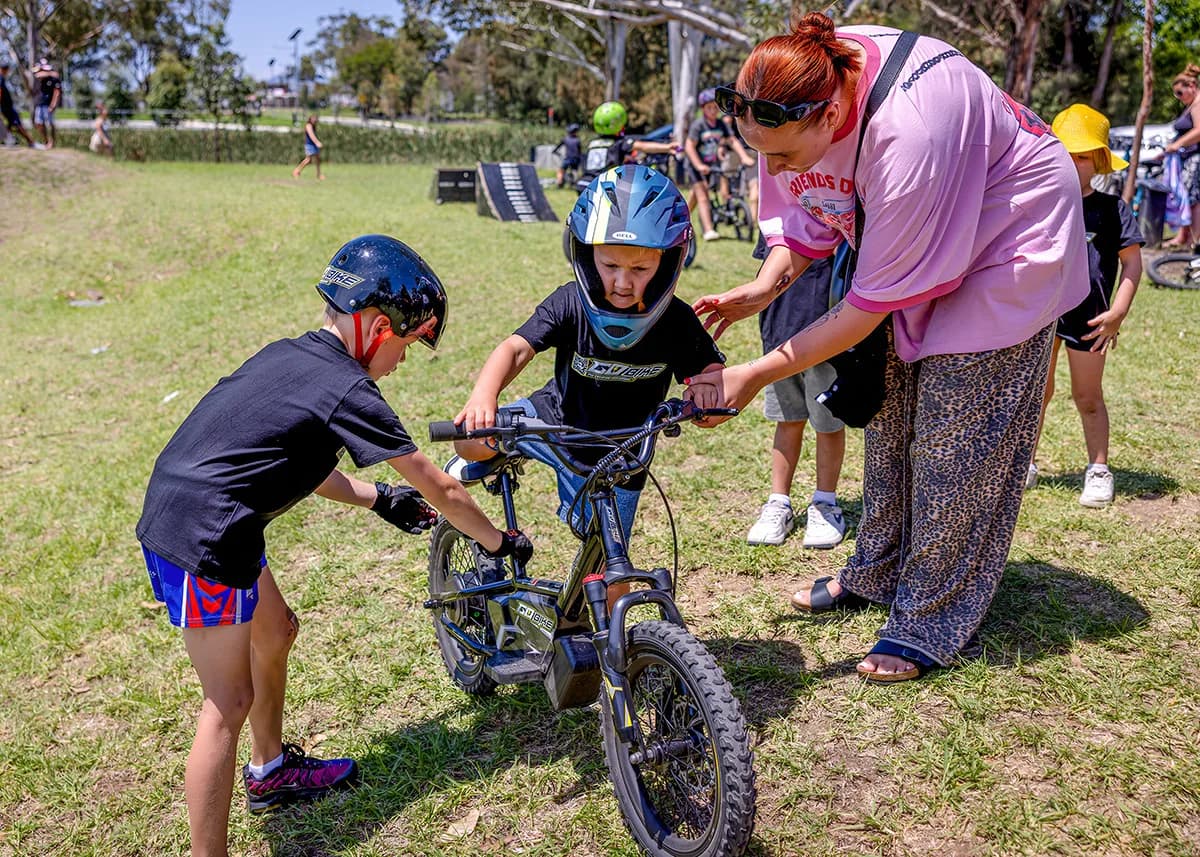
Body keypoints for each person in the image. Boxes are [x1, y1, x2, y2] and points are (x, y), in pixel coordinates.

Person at [685, 14, 1087, 682]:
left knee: (955, 435)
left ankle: (932, 614)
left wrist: (756, 373)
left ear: (834, 112)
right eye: (762, 152)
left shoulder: (913, 130)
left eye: (782, 153)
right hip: (921, 225)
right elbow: (806, 210)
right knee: (892, 411)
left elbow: (867, 307)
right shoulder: (794, 92)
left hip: (1011, 231)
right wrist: (764, 284)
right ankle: (877, 570)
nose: (773, 167)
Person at [135, 235, 533, 857]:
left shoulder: (293, 359)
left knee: (277, 631)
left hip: (214, 515)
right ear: (377, 328)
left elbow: (295, 460)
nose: (402, 361)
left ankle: (270, 773)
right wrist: (499, 541)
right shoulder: (348, 387)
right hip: (203, 535)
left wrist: (376, 499)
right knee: (227, 702)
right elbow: (440, 486)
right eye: (406, 343)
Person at [451, 165, 724, 603]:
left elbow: (709, 373)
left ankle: (613, 649)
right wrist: (484, 395)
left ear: (669, 260)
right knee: (469, 438)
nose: (622, 281)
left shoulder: (676, 321)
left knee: (612, 567)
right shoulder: (571, 301)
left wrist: (708, 392)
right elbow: (516, 348)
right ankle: (489, 464)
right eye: (610, 264)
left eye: (640, 266)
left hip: (623, 455)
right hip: (554, 425)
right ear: (585, 254)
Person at [1027, 104, 1145, 507]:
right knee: (1035, 393)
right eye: (1065, 153)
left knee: (1088, 397)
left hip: (1092, 319)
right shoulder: (1040, 203)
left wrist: (1118, 313)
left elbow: (1132, 263)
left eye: (1081, 156)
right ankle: (1025, 462)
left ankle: (1098, 468)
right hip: (1041, 316)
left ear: (1098, 160)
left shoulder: (1113, 209)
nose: (1073, 164)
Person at [746, 255, 847, 548]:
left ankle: (826, 502)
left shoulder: (837, 213)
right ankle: (779, 502)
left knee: (827, 424)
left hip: (827, 336)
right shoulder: (777, 216)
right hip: (780, 337)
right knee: (787, 420)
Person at [683, 88, 755, 241]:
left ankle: (681, 219)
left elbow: (732, 140)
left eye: (716, 107)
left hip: (710, 165)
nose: (713, 110)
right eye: (709, 107)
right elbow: (689, 146)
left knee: (695, 196)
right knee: (703, 195)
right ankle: (708, 230)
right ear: (703, 108)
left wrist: (744, 157)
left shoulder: (721, 125)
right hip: (695, 166)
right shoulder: (698, 125)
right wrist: (698, 165)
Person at [579, 101, 679, 184]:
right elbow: (643, 146)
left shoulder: (592, 143)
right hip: (602, 183)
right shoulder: (619, 143)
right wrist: (667, 147)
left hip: (584, 182)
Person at [1163, 64, 1200, 247]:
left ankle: (1192, 241)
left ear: (1191, 86)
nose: (1178, 97)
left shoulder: (1198, 104)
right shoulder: (1192, 104)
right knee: (1188, 198)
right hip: (1187, 159)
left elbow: (1199, 130)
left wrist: (1177, 145)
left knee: (1194, 200)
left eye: (1179, 93)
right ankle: (1184, 237)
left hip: (1196, 159)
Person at [0, 60, 35, 147]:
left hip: (6, 107)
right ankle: (31, 142)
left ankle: (9, 140)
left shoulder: (2, 78)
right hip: (7, 108)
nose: (6, 71)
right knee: (17, 124)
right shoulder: (0, 78)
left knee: (11, 125)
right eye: (4, 69)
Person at [32, 58, 60, 148]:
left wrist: (53, 104)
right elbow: (37, 74)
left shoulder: (53, 79)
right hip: (40, 104)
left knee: (50, 124)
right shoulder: (44, 77)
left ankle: (52, 142)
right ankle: (46, 141)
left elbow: (57, 92)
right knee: (38, 123)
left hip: (48, 104)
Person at [292, 114, 324, 180]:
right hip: (309, 145)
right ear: (310, 119)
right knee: (308, 160)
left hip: (313, 145)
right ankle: (296, 171)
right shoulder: (308, 126)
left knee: (318, 160)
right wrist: (317, 142)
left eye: (315, 119)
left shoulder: (313, 126)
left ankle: (319, 174)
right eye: (313, 119)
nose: (315, 120)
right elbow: (311, 135)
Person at [553, 122, 582, 188]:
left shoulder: (566, 139)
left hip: (568, 158)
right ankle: (574, 182)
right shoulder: (577, 140)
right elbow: (579, 151)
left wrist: (555, 151)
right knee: (575, 170)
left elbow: (558, 147)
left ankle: (559, 182)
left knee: (561, 170)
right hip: (575, 159)